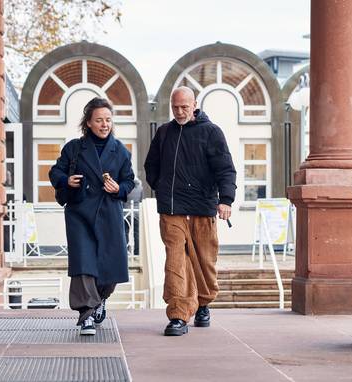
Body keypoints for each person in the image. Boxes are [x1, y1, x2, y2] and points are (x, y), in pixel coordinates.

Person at [144, 86, 237, 336]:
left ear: (195, 104)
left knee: (204, 261)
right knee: (175, 261)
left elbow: (226, 169)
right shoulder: (164, 133)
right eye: (175, 107)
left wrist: (226, 200)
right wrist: (162, 188)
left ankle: (204, 302)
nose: (179, 111)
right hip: (172, 210)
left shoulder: (211, 132)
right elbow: (150, 165)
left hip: (202, 209)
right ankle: (178, 315)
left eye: (184, 107)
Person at [49, 97, 135, 336]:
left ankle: (100, 299)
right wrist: (66, 179)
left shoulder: (120, 151)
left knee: (111, 263)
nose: (104, 124)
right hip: (80, 212)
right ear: (88, 122)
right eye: (99, 120)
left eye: (108, 120)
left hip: (109, 212)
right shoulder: (74, 148)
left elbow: (130, 181)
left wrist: (119, 188)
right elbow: (55, 171)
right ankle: (86, 313)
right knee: (84, 264)